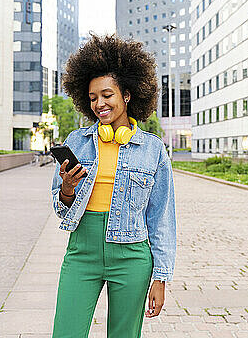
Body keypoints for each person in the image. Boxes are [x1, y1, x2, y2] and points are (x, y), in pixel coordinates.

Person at [50, 34, 176, 337]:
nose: (99, 104)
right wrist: (67, 188)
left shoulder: (153, 149)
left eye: (107, 95)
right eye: (92, 98)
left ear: (127, 95)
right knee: (65, 333)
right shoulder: (76, 141)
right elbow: (59, 204)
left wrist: (160, 277)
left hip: (131, 254)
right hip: (82, 251)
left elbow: (162, 217)